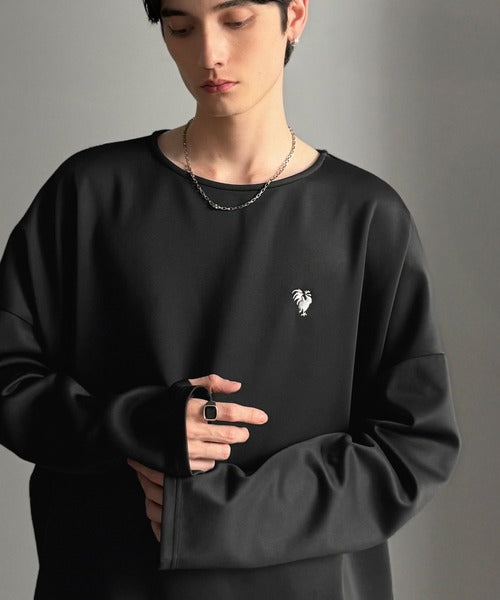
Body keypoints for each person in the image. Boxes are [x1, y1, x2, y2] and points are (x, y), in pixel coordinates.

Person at [0, 0, 460, 598]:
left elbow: (415, 445)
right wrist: (136, 423)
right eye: (180, 27)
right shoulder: (89, 195)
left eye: (235, 20)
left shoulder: (367, 218)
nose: (208, 54)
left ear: (295, 15)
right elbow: (9, 377)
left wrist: (226, 515)